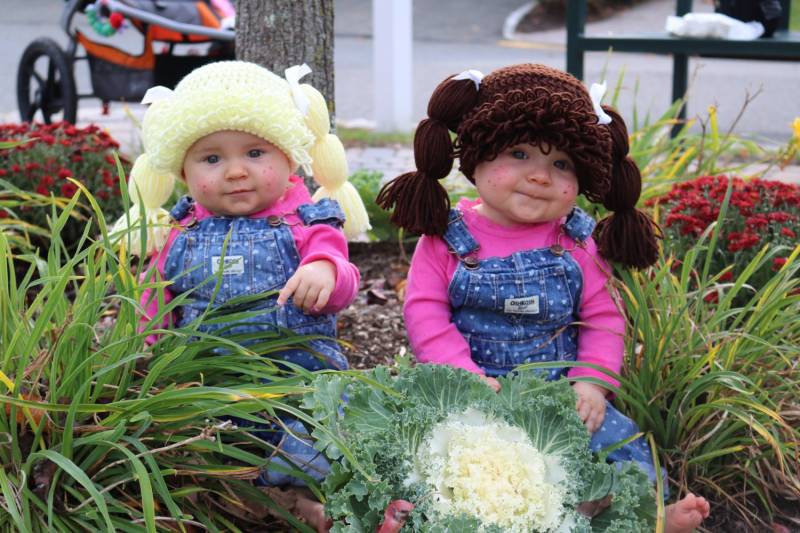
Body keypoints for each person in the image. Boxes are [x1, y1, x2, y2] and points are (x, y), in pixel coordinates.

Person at [377, 63, 710, 532]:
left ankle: (637, 515)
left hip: (559, 395)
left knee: (618, 449)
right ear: (477, 157)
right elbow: (425, 313)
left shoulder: (578, 241)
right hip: (470, 392)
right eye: (519, 153)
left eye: (560, 164)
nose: (540, 176)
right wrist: (462, 377)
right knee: (427, 458)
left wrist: (591, 383)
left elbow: (603, 317)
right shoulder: (446, 240)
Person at [113, 61, 370, 532]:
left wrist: (324, 271)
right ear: (183, 171)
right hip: (211, 379)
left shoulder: (307, 222)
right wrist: (142, 342)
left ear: (288, 159)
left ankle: (299, 496)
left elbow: (345, 277)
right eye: (211, 159)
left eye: (254, 152)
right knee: (206, 445)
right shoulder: (181, 231)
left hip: (299, 379)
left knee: (316, 435)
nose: (235, 172)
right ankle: (246, 499)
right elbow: (155, 293)